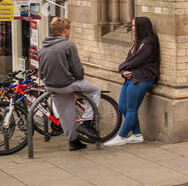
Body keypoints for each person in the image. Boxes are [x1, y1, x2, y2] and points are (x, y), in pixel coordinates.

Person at [37, 17, 102, 152]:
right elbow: (77, 69)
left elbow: (41, 71)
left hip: (50, 86)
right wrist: (78, 78)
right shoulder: (68, 45)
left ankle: (73, 142)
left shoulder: (42, 47)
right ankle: (87, 122)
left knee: (65, 112)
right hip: (67, 84)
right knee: (95, 90)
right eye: (69, 29)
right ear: (65, 30)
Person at [105, 16, 160, 146]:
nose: (133, 28)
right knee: (122, 106)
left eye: (135, 26)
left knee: (131, 108)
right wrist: (123, 72)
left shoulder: (148, 43)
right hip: (132, 76)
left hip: (142, 78)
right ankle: (137, 134)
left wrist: (121, 68)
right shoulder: (137, 42)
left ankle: (122, 136)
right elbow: (128, 60)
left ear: (142, 27)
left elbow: (136, 61)